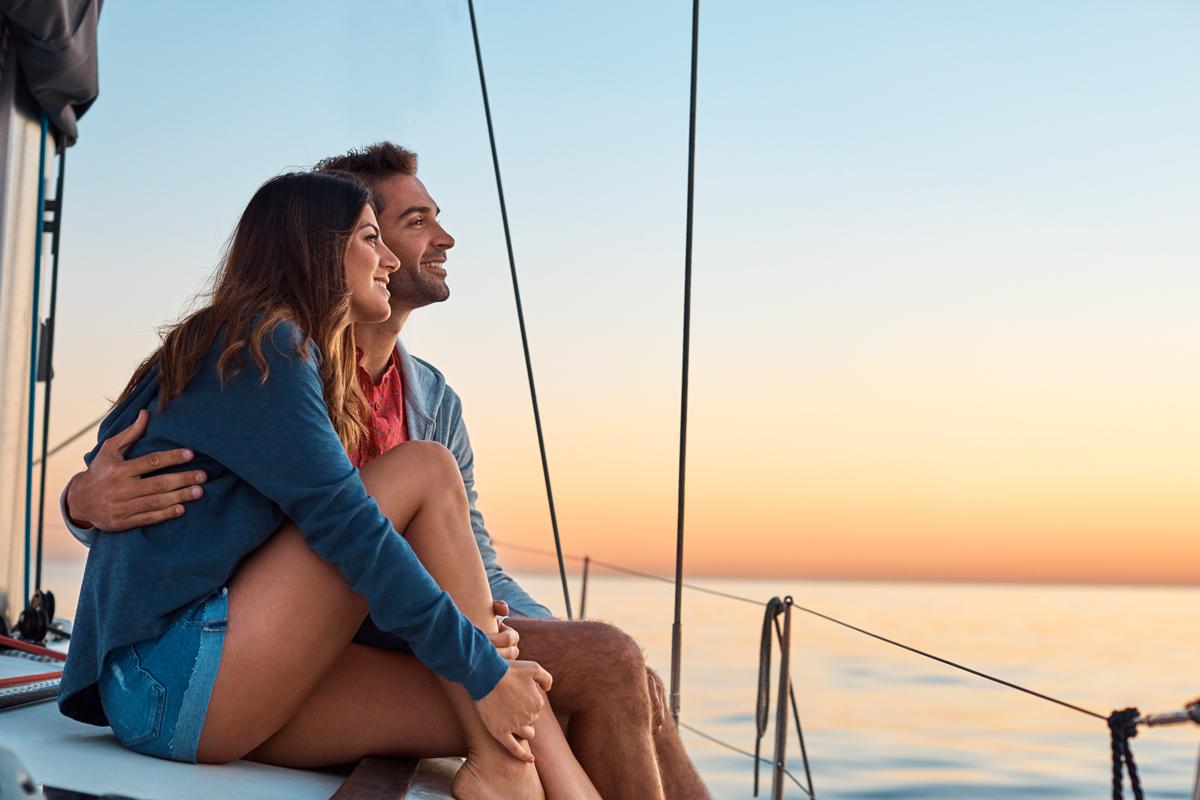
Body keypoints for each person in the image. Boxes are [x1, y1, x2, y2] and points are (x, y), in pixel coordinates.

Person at [63, 144, 711, 799]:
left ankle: (508, 773)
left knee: (535, 703)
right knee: (427, 476)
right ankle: (504, 774)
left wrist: (503, 657)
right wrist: (79, 501)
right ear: (320, 248)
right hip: (178, 675)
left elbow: (469, 559)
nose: (390, 258)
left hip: (232, 683)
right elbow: (349, 530)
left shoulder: (391, 386)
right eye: (375, 236)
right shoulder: (263, 346)